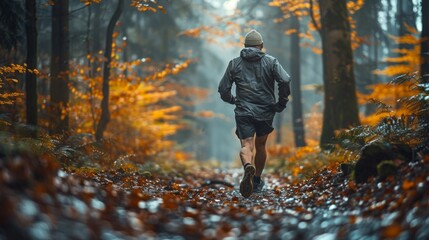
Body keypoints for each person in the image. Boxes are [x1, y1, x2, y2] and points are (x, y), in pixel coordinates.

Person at [218, 29, 291, 198]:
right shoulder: (271, 62)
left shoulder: (234, 63)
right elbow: (285, 80)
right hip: (266, 110)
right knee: (260, 145)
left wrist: (232, 100)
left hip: (243, 110)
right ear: (261, 46)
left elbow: (223, 89)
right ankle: (256, 180)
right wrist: (281, 102)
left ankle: (247, 167)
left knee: (246, 145)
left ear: (244, 46)